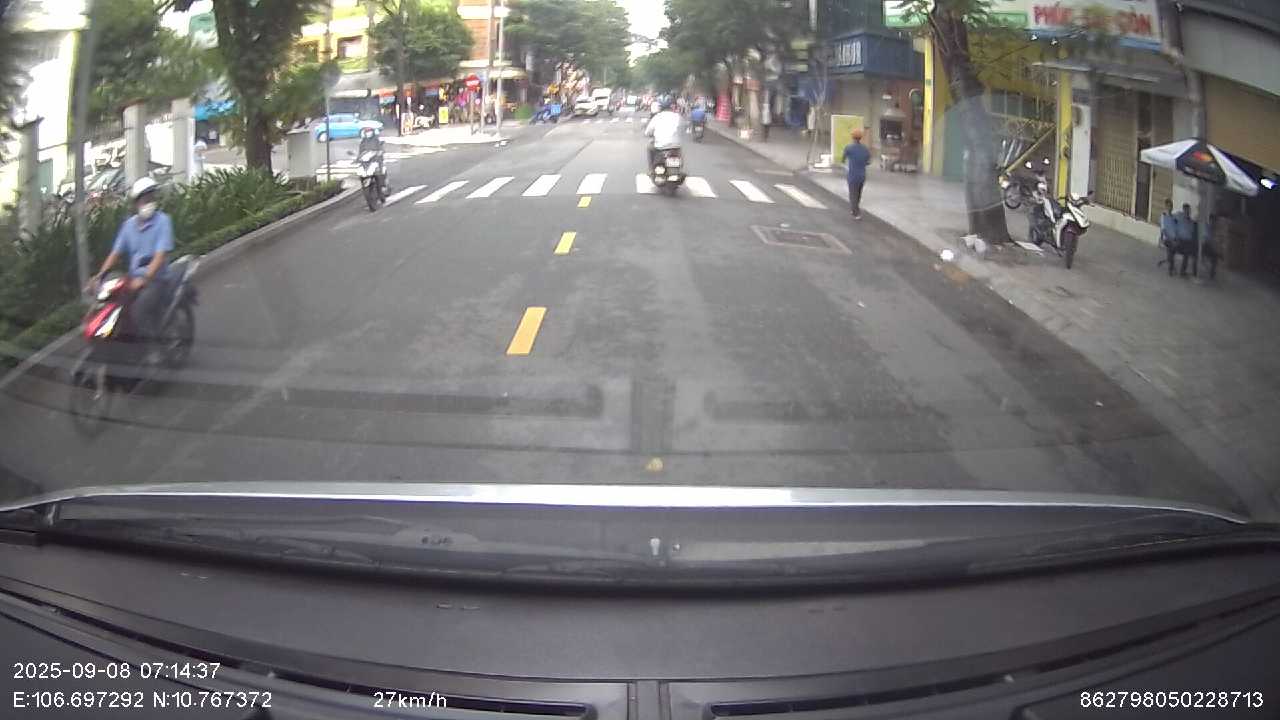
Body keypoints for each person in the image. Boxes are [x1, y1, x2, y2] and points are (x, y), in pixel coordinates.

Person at [89, 177, 174, 349]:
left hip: (156, 279)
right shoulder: (128, 226)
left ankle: (153, 349)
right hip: (132, 278)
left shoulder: (163, 221)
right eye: (145, 200)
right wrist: (100, 276)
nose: (149, 203)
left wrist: (145, 278)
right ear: (136, 203)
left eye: (151, 199)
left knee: (138, 311)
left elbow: (160, 255)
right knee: (112, 306)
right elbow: (115, 253)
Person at [644, 96, 683, 169]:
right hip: (676, 146)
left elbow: (647, 132)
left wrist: (649, 134)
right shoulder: (677, 116)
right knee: (680, 151)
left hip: (660, 146)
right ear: (671, 107)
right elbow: (683, 128)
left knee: (649, 147)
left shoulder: (657, 117)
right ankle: (680, 167)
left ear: (661, 108)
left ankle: (651, 169)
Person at [842, 128, 871, 219]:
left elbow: (843, 159)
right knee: (858, 194)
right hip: (862, 175)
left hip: (852, 175)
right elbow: (868, 162)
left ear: (852, 137)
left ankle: (856, 213)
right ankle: (854, 209)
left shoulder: (848, 148)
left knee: (853, 194)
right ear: (860, 138)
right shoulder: (865, 149)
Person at [1158, 199, 1180, 275]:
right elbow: (1163, 230)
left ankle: (1170, 263)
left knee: (1174, 248)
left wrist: (1176, 238)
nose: (1170, 208)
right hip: (1166, 238)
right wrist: (1167, 239)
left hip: (1174, 239)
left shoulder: (1174, 218)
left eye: (1171, 206)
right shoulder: (1163, 216)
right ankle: (1171, 268)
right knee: (1172, 247)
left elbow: (1176, 229)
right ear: (1166, 207)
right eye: (1168, 206)